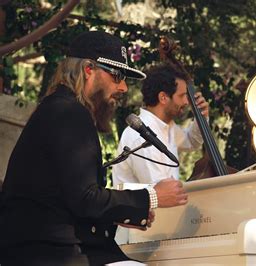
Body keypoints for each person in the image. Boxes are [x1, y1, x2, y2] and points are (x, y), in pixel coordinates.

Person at [0, 31, 188, 265]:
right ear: (89, 70)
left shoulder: (58, 109)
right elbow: (85, 198)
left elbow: (66, 199)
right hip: (49, 254)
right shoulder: (69, 113)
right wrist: (152, 196)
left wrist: (121, 215)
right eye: (117, 75)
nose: (123, 88)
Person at [112, 63, 209, 185]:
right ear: (163, 97)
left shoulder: (168, 127)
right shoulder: (140, 136)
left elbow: (191, 142)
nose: (186, 101)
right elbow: (162, 192)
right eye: (182, 96)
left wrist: (202, 117)